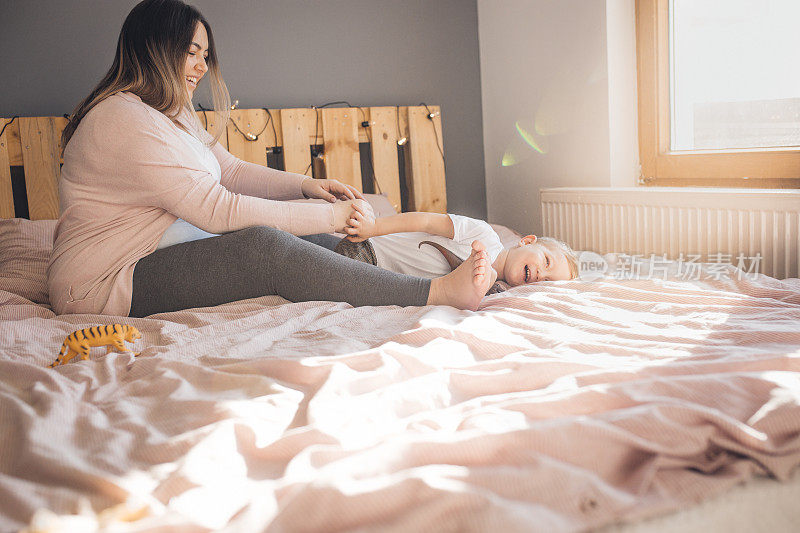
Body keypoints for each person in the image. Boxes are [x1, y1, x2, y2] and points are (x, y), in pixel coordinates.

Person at [47, 0, 494, 318]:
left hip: (152, 250)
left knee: (304, 239)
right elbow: (220, 210)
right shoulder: (122, 120)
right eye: (191, 52)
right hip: (100, 283)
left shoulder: (171, 113)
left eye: (206, 55)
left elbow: (230, 170)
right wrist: (330, 214)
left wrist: (304, 187)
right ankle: (434, 293)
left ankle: (397, 271)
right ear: (155, 48)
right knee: (263, 248)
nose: (202, 67)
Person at [336, 204, 579, 285]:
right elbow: (427, 221)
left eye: (547, 282)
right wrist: (373, 227)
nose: (540, 275)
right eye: (546, 262)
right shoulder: (484, 234)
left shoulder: (494, 290)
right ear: (526, 241)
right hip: (368, 252)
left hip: (381, 279)